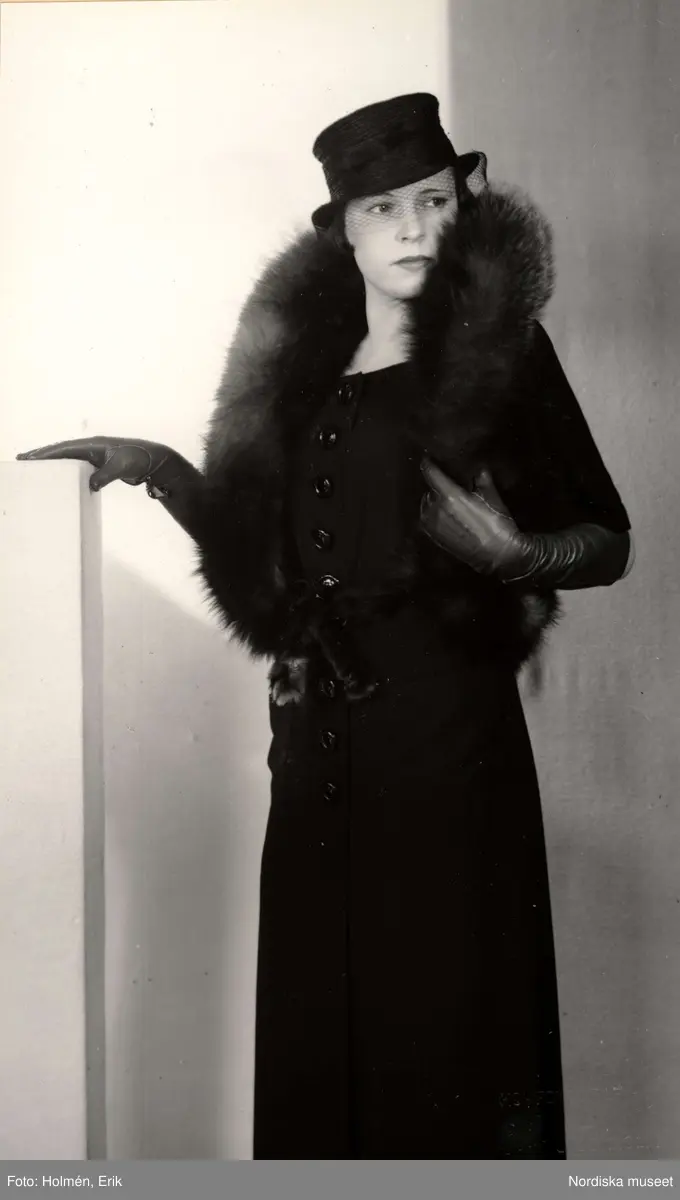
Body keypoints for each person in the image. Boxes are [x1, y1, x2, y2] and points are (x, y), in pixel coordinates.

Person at [18, 93, 634, 1160]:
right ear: (340, 228)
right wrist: (161, 470)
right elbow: (263, 556)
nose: (412, 228)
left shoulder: (503, 355)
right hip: (316, 750)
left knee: (443, 1026)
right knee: (323, 1025)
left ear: (464, 205)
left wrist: (520, 558)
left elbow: (609, 539)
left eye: (433, 200)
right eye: (381, 208)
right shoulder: (302, 377)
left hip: (448, 742)